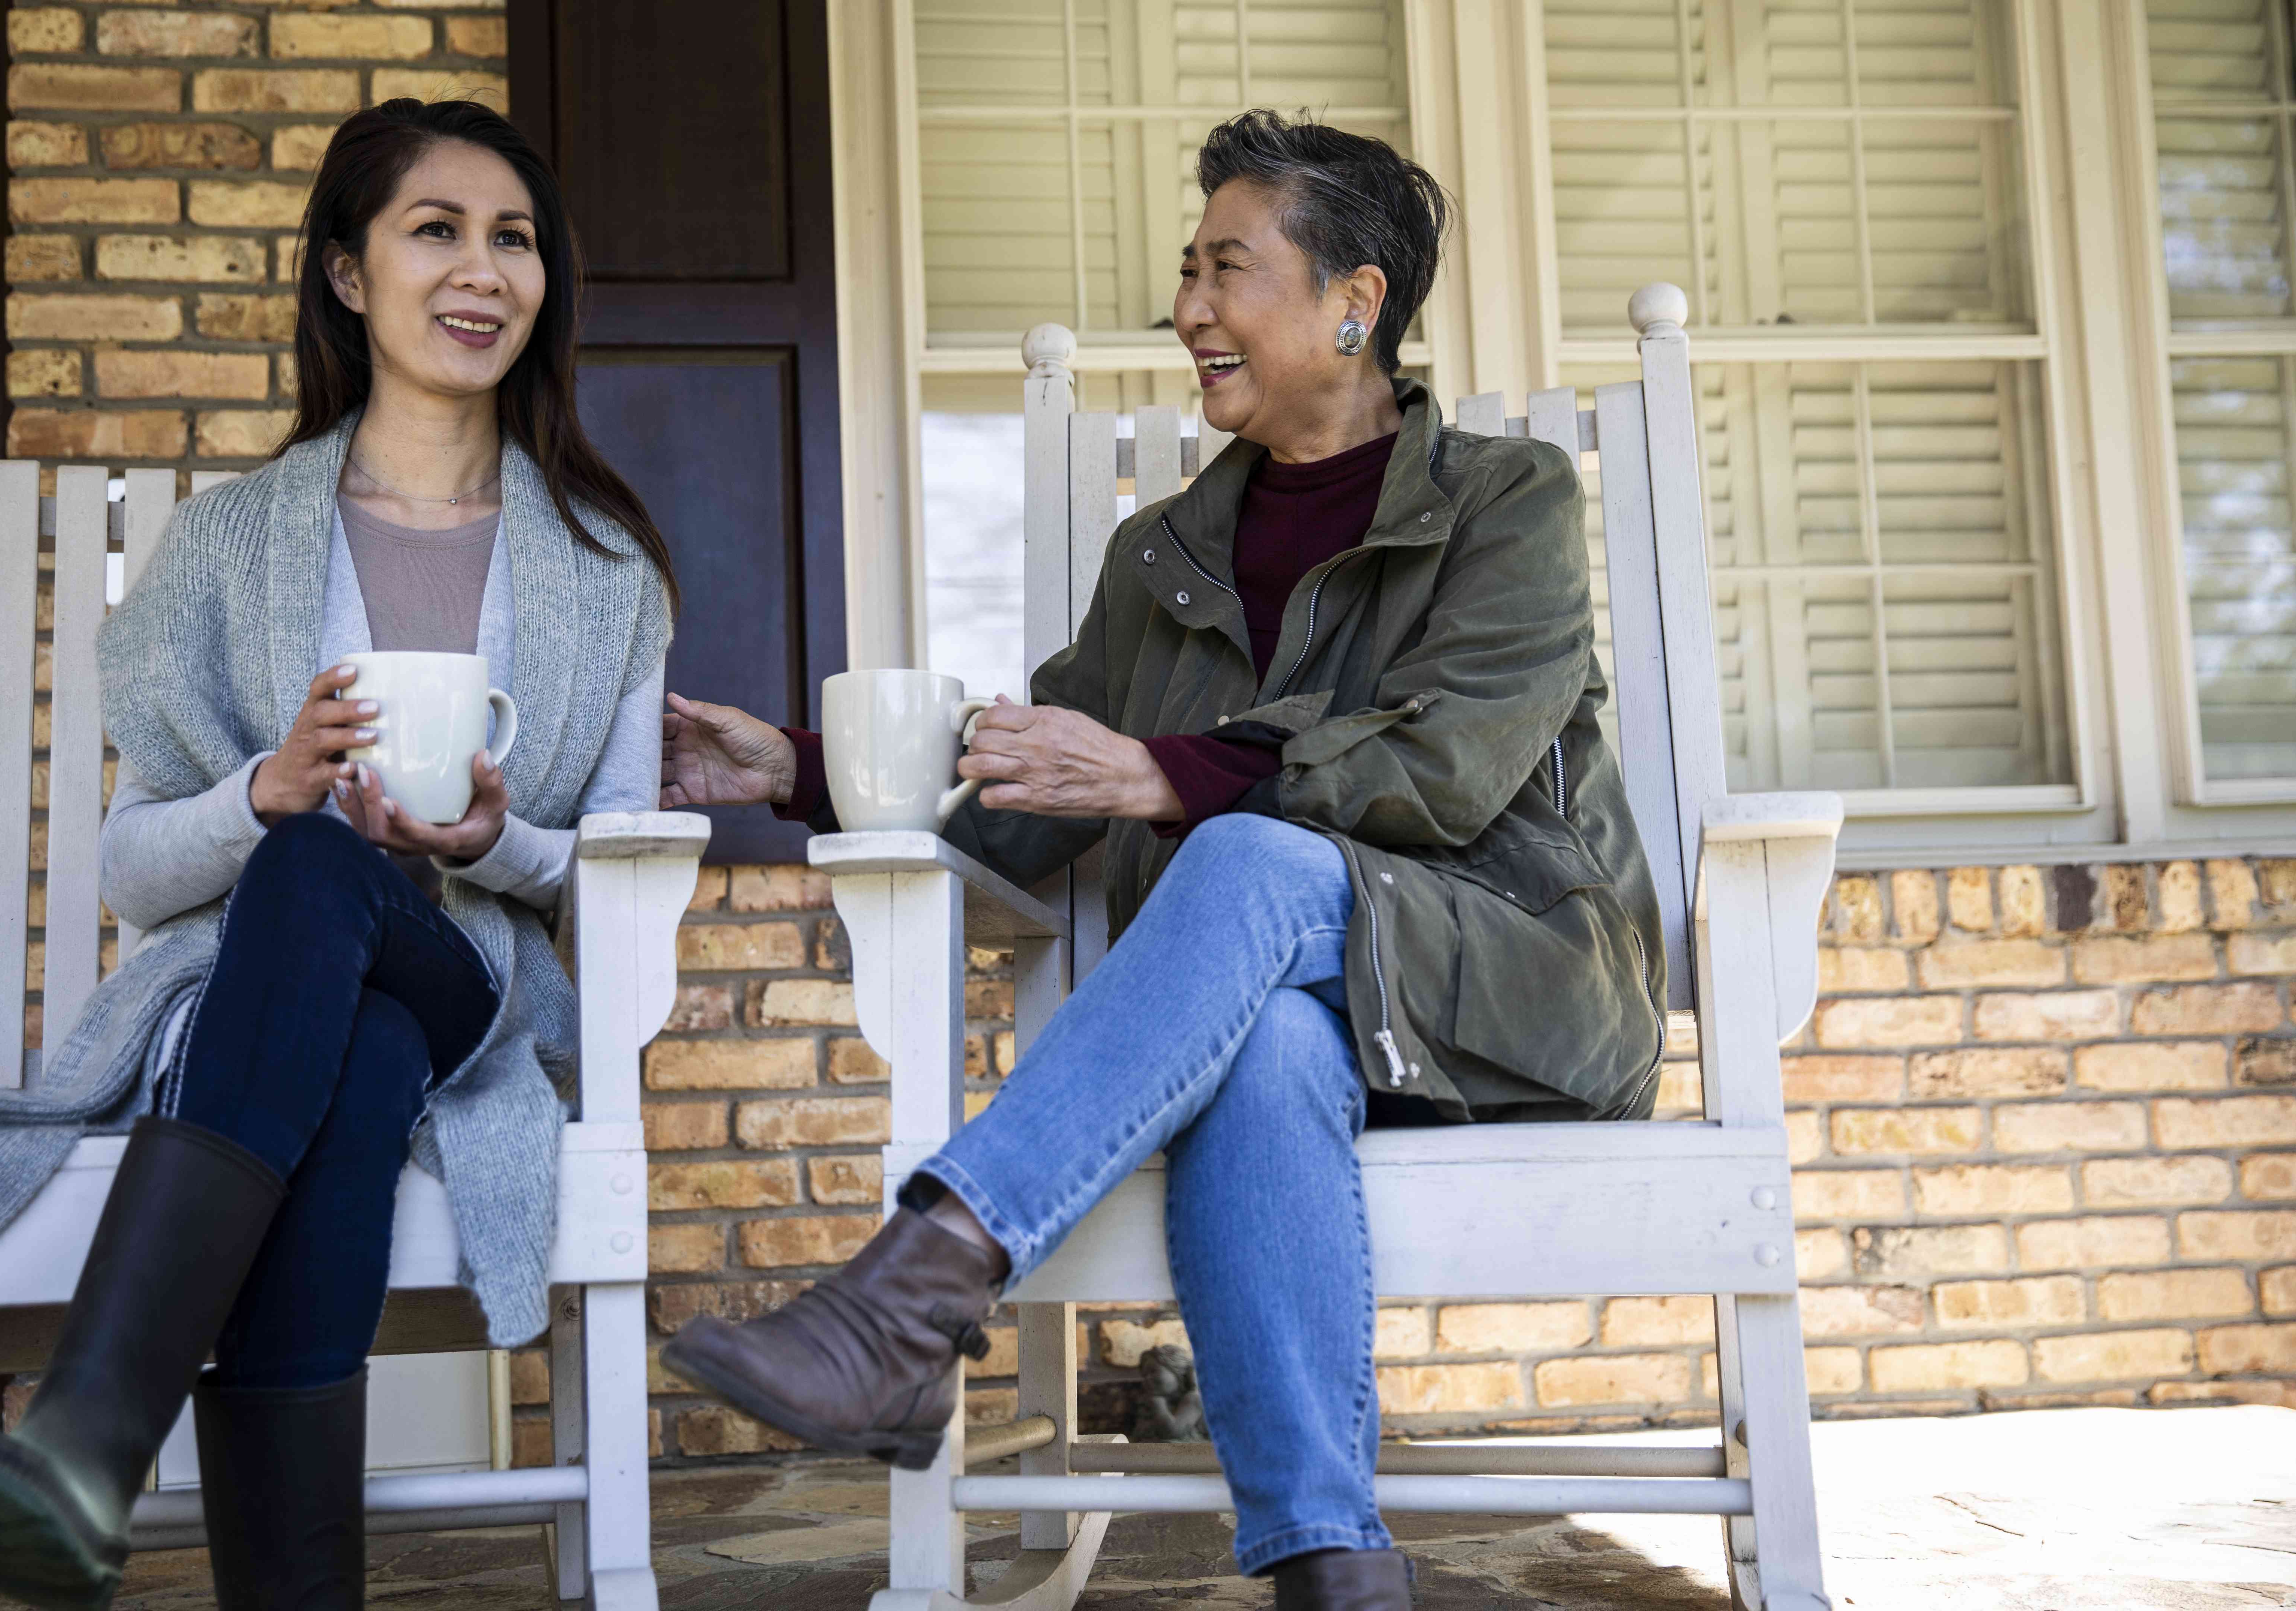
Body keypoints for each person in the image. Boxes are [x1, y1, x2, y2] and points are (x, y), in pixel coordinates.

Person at [656, 110, 1664, 1611]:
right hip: (1297, 1013)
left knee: (1254, 854)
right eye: (1185, 273)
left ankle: (915, 1293)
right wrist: (791, 769)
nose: (1187, 308)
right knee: (1255, 1051)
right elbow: (1034, 782)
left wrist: (1162, 773)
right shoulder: (1163, 557)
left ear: (1355, 299)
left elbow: (1452, 770)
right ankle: (1336, 1572)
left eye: (1226, 269)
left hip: (1502, 983)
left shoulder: (1503, 503)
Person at [0, 99, 674, 1611]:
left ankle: (91, 1428)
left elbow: (628, 871)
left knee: (341, 903)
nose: (484, 270)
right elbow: (135, 872)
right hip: (294, 1011)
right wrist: (261, 792)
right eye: (436, 230)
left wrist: (495, 838)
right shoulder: (225, 546)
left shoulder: (609, 572)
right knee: (345, 992)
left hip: (485, 998)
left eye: (513, 238)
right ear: (346, 274)